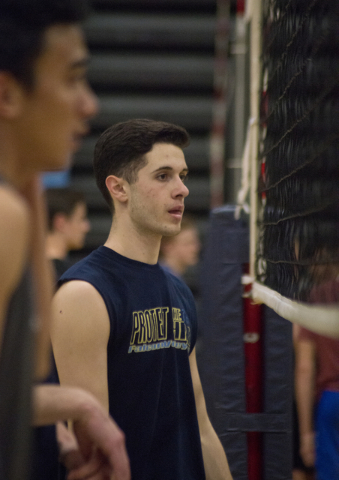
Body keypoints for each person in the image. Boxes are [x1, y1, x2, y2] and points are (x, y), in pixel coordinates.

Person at [51, 118, 233, 480]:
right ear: (119, 189)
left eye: (182, 175)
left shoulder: (178, 289)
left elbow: (201, 427)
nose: (182, 189)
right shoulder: (84, 294)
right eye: (163, 176)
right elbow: (92, 451)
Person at [0, 1, 130, 479]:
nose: (89, 104)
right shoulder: (4, 215)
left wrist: (79, 404)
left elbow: (26, 369)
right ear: (8, 94)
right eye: (73, 78)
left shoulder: (16, 202)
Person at [46, 187, 91, 278]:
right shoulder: (66, 274)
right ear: (61, 223)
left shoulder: (30, 269)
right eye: (81, 219)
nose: (87, 227)